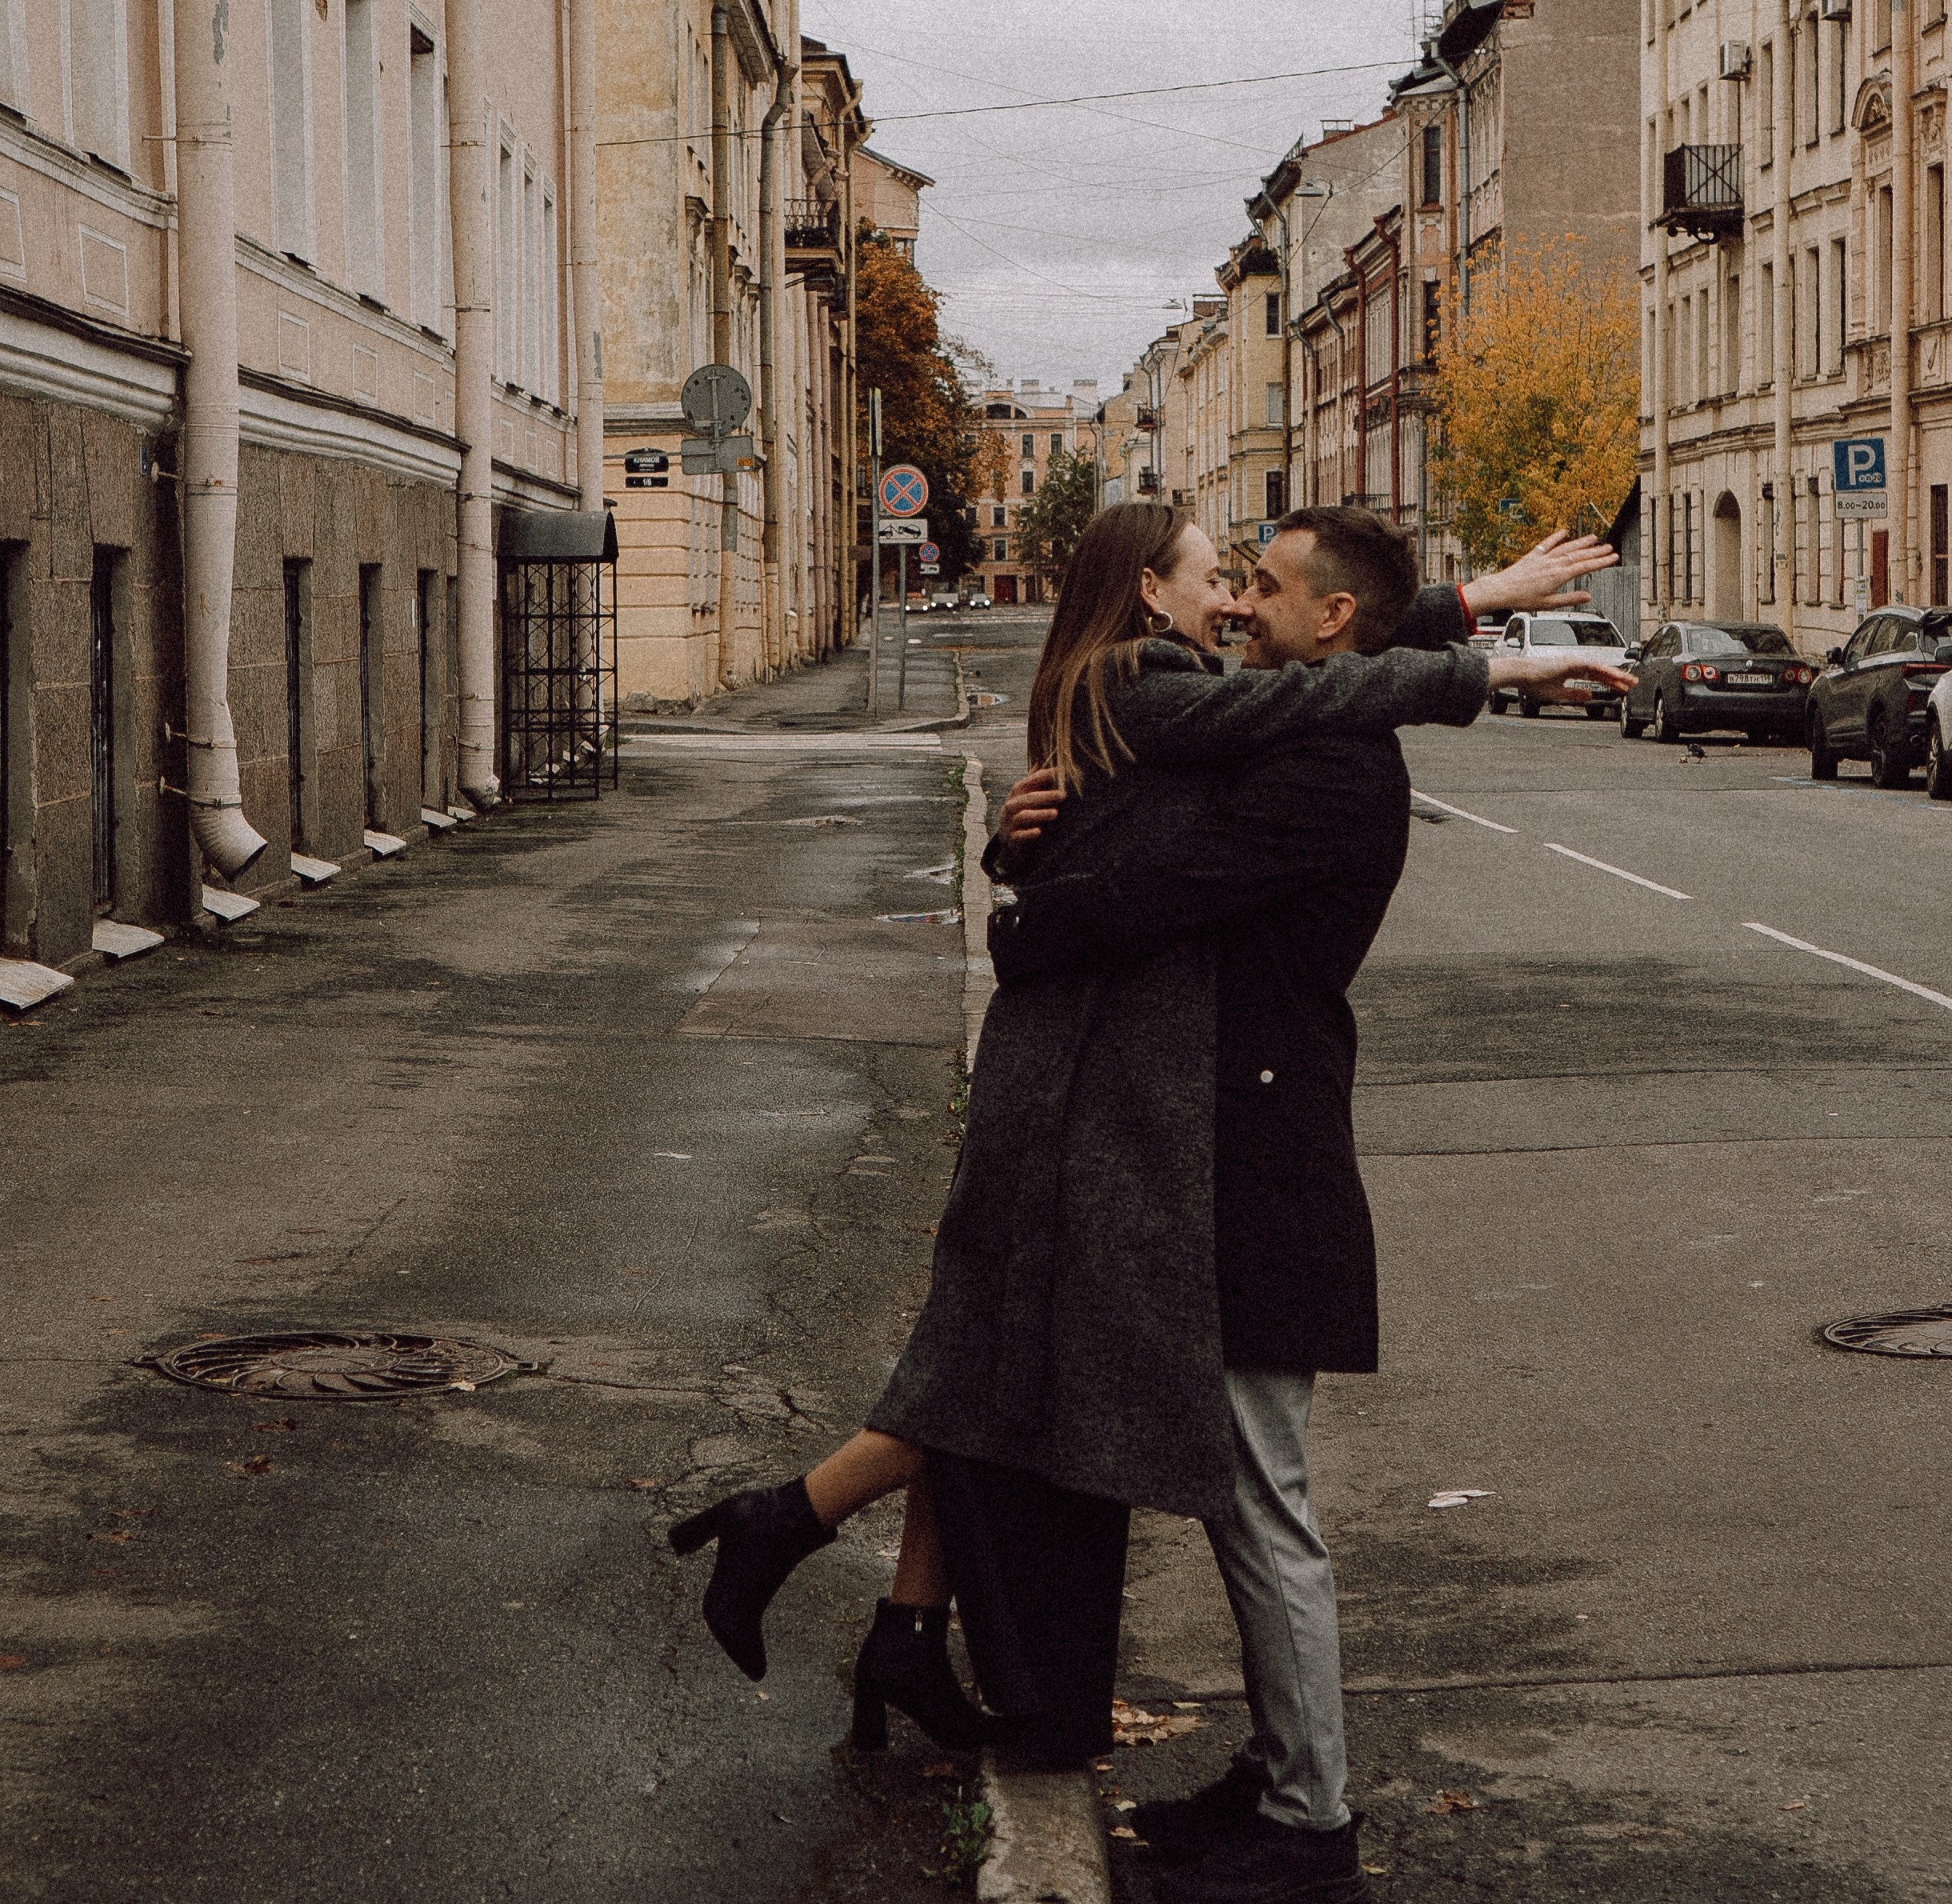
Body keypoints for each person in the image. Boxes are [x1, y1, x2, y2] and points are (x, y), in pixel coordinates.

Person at [669, 507, 1626, 1758]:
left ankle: (891, 1620)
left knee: (995, 1365)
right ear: (1147, 593)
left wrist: (1477, 593)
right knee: (990, 1367)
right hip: (1073, 1078)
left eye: (1249, 583)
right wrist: (1490, 656)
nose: (1230, 598)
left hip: (1077, 1070)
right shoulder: (1142, 680)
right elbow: (1254, 742)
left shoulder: (1140, 682)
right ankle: (783, 1522)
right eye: (1213, 577)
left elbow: (1283, 700)